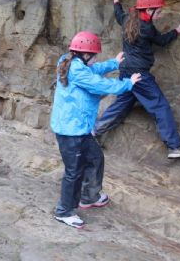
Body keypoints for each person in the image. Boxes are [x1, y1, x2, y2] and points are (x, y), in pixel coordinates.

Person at [50, 31, 141, 228]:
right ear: (85, 55)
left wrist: (114, 63)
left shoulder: (70, 61)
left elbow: (94, 69)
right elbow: (99, 84)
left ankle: (89, 196)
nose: (96, 59)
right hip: (71, 131)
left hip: (79, 128)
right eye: (94, 56)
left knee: (95, 158)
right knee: (74, 172)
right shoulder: (78, 71)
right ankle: (64, 211)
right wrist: (128, 83)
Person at [93, 0, 180, 159]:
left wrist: (116, 1)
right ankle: (175, 147)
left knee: (122, 105)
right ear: (148, 10)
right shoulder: (147, 28)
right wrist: (177, 31)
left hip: (125, 71)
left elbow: (118, 15)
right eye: (159, 11)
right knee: (160, 106)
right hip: (140, 76)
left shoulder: (127, 19)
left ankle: (94, 132)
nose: (160, 15)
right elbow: (161, 41)